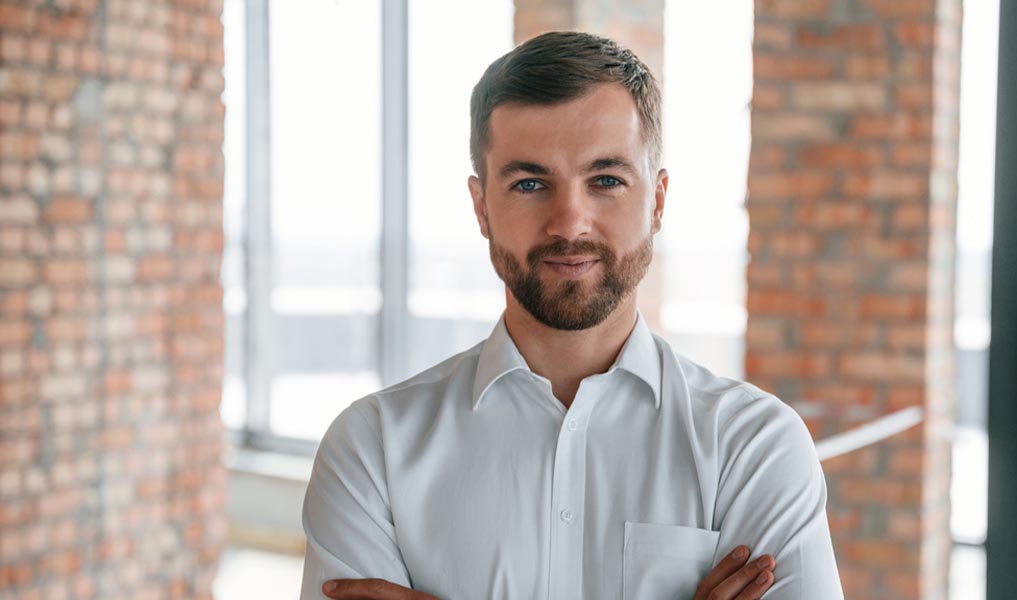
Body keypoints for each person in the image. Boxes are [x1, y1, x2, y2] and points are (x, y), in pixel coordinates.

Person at [298, 31, 844, 600]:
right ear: (482, 207)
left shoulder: (754, 447)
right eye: (530, 183)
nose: (569, 222)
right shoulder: (372, 452)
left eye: (605, 180)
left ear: (657, 201)